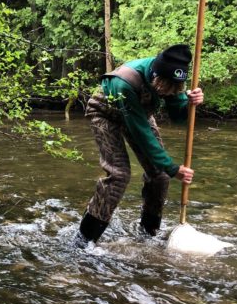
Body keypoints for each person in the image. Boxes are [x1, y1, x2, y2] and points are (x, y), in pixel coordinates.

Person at [78, 44, 204, 244]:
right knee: (119, 175)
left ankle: (148, 233)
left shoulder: (171, 77)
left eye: (175, 88)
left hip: (139, 114)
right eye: (167, 88)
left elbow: (178, 117)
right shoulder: (125, 83)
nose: (171, 91)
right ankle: (85, 239)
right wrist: (172, 167)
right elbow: (140, 133)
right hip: (105, 112)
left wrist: (189, 104)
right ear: (156, 77)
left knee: (160, 176)